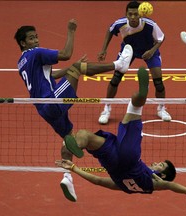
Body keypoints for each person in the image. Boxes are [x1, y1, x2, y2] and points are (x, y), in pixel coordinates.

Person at [14, 19, 133, 202]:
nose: (36, 41)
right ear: (23, 43)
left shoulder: (21, 62)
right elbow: (66, 54)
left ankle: (66, 177)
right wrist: (70, 31)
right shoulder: (36, 53)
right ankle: (119, 65)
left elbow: (51, 75)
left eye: (36, 37)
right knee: (78, 68)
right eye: (31, 38)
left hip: (43, 109)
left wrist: (69, 70)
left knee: (69, 137)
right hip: (52, 101)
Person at [56, 67, 186, 204]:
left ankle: (142, 95)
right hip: (111, 163)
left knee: (135, 108)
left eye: (161, 165)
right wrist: (74, 168)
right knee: (84, 134)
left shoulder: (154, 181)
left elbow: (169, 185)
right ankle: (79, 146)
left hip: (129, 157)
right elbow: (97, 181)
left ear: (162, 175)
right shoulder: (128, 188)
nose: (156, 163)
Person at [97, 1, 171, 124]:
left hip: (148, 51)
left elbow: (161, 38)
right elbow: (110, 31)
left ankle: (161, 108)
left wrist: (152, 51)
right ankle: (107, 108)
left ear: (140, 15)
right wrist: (103, 50)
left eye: (135, 14)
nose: (132, 17)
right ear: (126, 14)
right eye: (129, 14)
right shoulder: (120, 24)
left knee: (158, 82)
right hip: (129, 50)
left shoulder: (150, 24)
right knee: (116, 78)